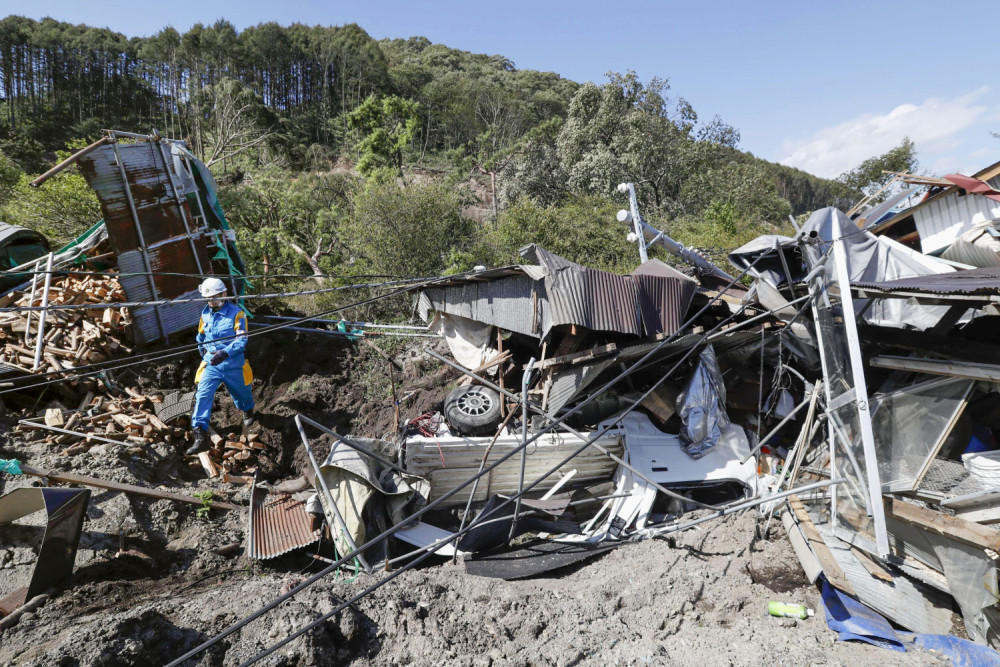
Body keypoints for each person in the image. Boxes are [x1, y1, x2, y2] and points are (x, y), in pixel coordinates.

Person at [186, 277, 255, 455]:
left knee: (242, 393)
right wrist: (205, 354)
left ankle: (247, 409)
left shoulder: (238, 314)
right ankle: (200, 435)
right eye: (208, 299)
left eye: (215, 298)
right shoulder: (205, 314)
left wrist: (225, 353)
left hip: (233, 364)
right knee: (203, 394)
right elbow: (200, 337)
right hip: (212, 364)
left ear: (224, 294)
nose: (212, 302)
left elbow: (242, 339)